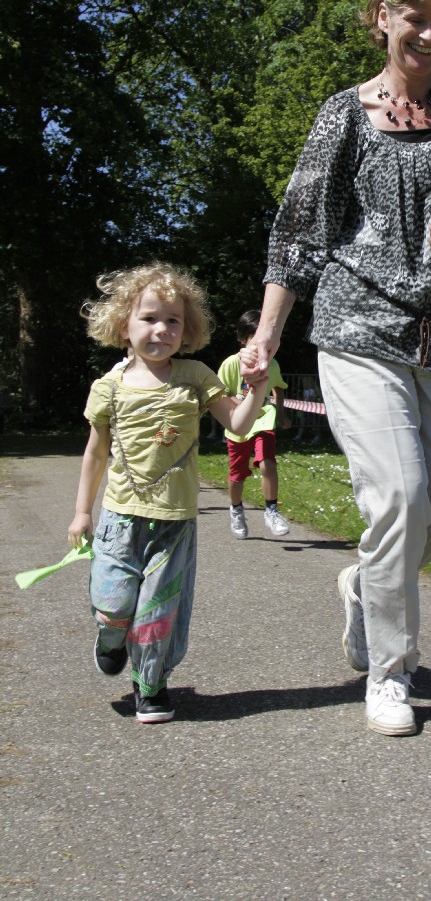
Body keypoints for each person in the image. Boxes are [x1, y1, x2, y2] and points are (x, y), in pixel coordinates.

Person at [244, 0, 431, 736]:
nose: (430, 36)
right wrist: (266, 337)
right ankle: (391, 672)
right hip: (358, 326)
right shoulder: (343, 115)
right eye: (416, 19)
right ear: (383, 17)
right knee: (400, 499)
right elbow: (298, 235)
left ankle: (365, 585)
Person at [67, 264, 269, 724]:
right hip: (119, 518)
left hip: (174, 523)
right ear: (124, 325)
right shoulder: (108, 387)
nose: (162, 329)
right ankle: (111, 637)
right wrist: (82, 512)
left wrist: (255, 388)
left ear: (187, 328)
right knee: (114, 604)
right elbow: (95, 454)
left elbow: (238, 425)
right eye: (149, 318)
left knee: (158, 610)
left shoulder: (195, 376)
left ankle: (150, 685)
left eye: (173, 320)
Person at [218, 308, 291, 539]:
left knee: (268, 464)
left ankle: (272, 511)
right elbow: (221, 393)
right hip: (238, 425)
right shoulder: (230, 364)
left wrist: (280, 413)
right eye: (254, 338)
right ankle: (236, 510)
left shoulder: (273, 364)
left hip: (263, 420)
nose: (260, 345)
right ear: (243, 339)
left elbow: (278, 388)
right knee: (237, 474)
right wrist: (239, 405)